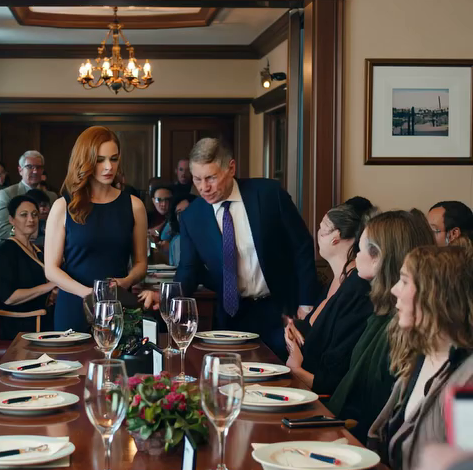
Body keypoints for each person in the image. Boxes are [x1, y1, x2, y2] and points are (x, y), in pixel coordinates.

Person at [140, 137, 318, 358]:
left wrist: (306, 305)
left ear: (231, 168)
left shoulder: (268, 194)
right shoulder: (192, 216)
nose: (204, 188)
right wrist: (166, 296)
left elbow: (301, 246)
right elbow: (189, 270)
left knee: (281, 373)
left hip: (280, 310)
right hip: (231, 316)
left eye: (211, 178)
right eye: (197, 179)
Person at [326, 209, 436, 443]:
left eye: (360, 249)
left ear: (379, 257)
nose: (356, 256)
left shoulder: (399, 327)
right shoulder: (381, 315)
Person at [368, 245, 473, 470]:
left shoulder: (468, 380)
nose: (394, 289)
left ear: (435, 295)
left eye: (404, 281)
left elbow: (465, 463)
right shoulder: (419, 357)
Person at [45, 126, 147, 332]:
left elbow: (141, 264)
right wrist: (88, 294)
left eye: (114, 159)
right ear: (86, 160)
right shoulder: (63, 206)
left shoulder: (134, 206)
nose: (109, 167)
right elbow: (51, 270)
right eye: (100, 160)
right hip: (74, 306)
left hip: (118, 306)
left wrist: (126, 281)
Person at [284, 199, 376, 395]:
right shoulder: (336, 279)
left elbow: (336, 376)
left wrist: (296, 369)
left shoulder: (357, 288)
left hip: (322, 399)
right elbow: (312, 331)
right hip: (302, 388)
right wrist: (292, 330)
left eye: (322, 227)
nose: (317, 233)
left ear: (336, 236)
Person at [0, 195, 57, 339]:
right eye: (23, 215)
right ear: (11, 220)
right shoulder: (6, 251)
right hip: (23, 323)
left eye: (34, 214)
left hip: (43, 316)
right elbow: (9, 297)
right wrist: (49, 286)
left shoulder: (37, 250)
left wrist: (52, 293)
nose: (31, 219)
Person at [0, 150, 58, 244]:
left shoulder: (52, 196)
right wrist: (31, 234)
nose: (35, 171)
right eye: (30, 167)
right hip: (15, 247)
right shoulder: (8, 194)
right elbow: (2, 230)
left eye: (39, 167)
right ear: (20, 170)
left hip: (47, 247)